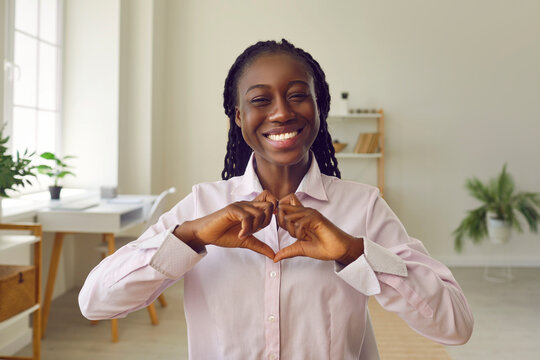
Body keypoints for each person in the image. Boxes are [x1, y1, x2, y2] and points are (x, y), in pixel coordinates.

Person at [79, 39, 473, 359]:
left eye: (298, 95)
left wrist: (355, 252)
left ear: (320, 108)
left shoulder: (363, 207)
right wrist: (191, 237)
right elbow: (95, 302)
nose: (281, 113)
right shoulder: (201, 206)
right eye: (261, 100)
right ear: (237, 116)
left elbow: (455, 326)